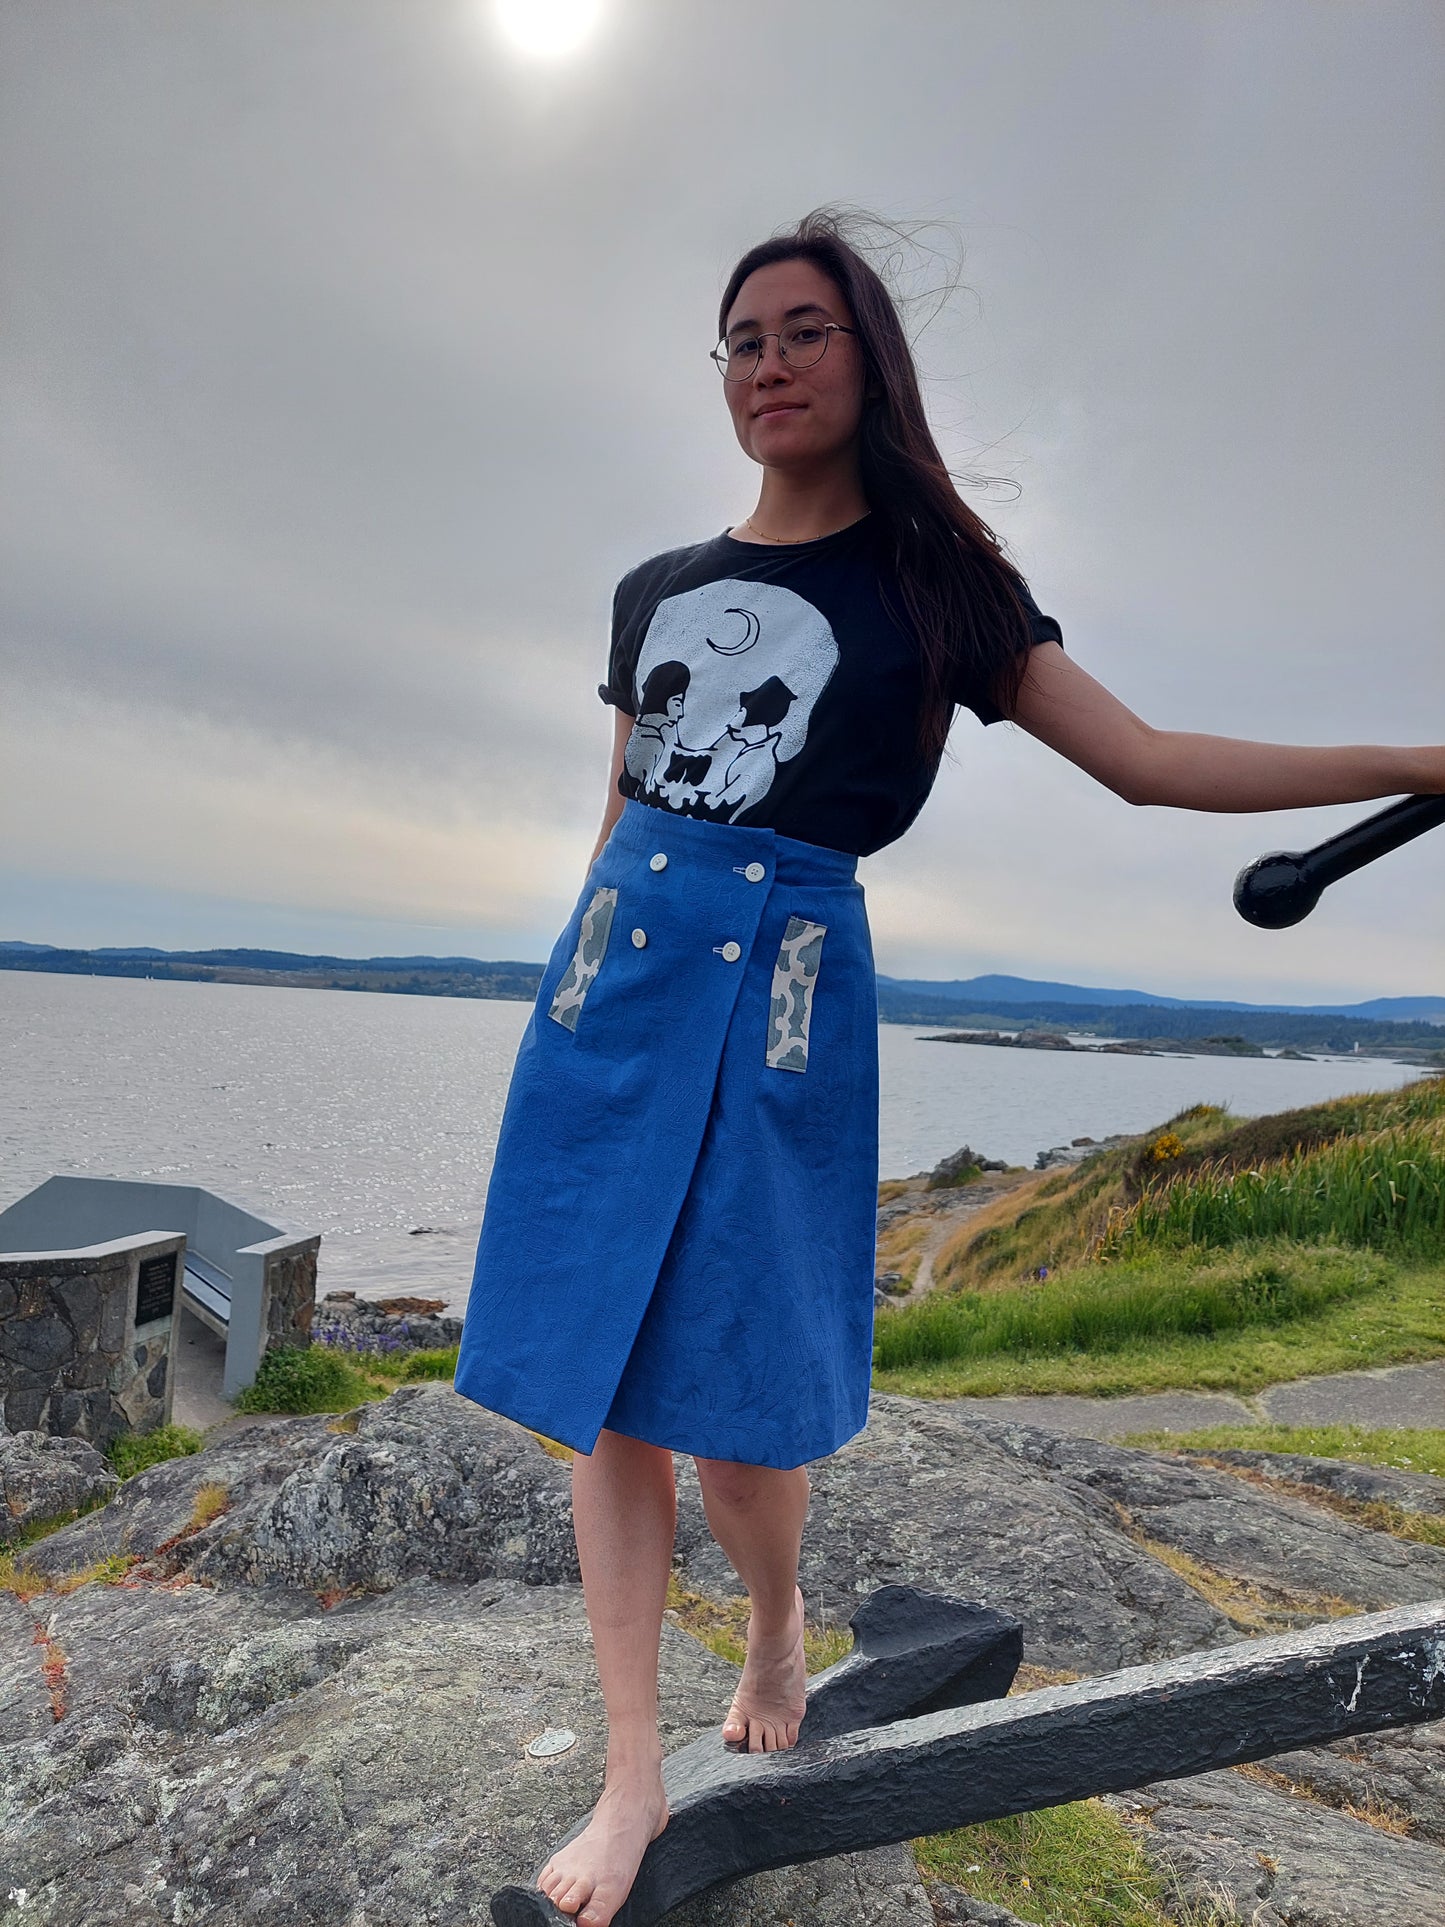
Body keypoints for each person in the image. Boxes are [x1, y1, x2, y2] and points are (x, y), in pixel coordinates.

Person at [453, 208, 1444, 1927]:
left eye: (801, 332)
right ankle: (634, 1770)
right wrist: (573, 991)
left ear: (866, 360)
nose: (766, 364)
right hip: (609, 996)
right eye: (741, 340)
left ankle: (774, 1620)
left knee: (745, 1424)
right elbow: (623, 814)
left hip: (782, 996)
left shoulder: (940, 593)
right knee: (600, 1396)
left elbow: (1144, 760)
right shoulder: (657, 592)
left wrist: (1417, 754)